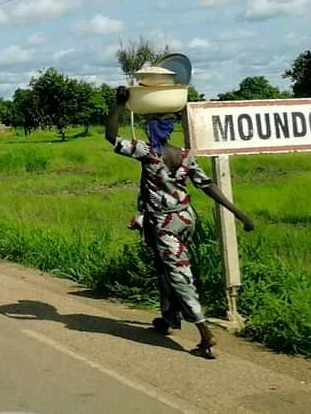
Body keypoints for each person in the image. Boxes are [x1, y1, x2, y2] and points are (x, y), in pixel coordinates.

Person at [105, 85, 255, 359]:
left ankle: (204, 332)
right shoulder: (185, 155)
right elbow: (207, 185)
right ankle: (169, 317)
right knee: (164, 267)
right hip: (185, 219)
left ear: (152, 131)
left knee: (178, 273)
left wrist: (118, 105)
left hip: (164, 226)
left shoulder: (148, 153)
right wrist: (238, 213)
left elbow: (111, 137)